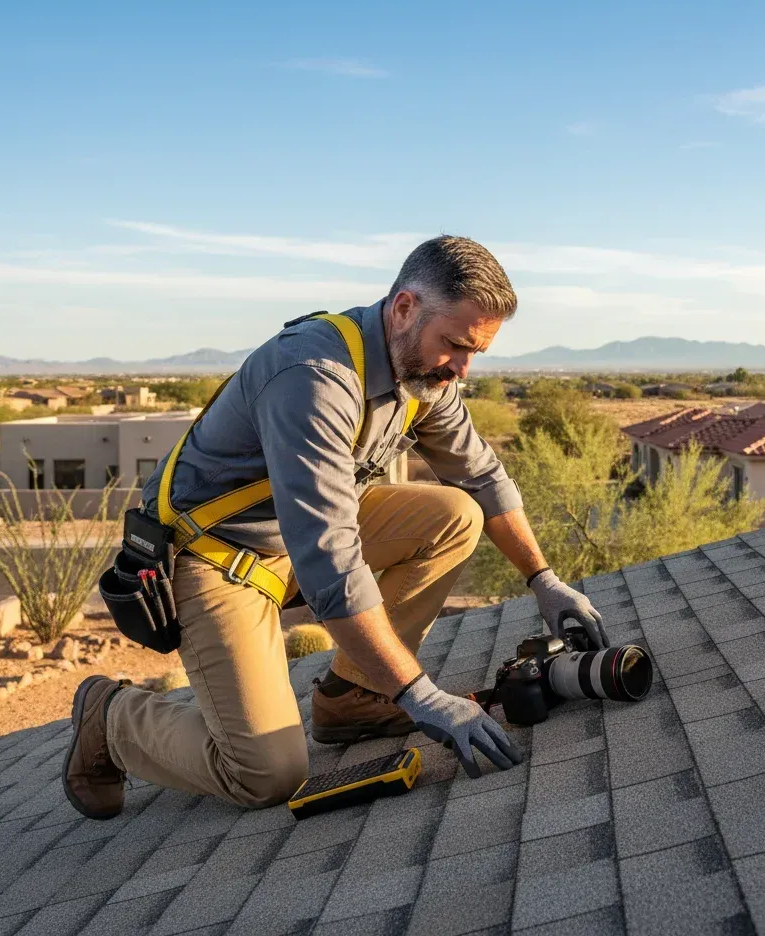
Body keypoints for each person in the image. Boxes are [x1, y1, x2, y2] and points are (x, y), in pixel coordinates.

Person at [62, 235, 607, 819]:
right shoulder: (316, 376)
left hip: (300, 541)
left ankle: (353, 697)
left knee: (455, 516)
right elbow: (332, 562)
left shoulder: (424, 375)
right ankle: (114, 715)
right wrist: (419, 694)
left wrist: (543, 580)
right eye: (454, 345)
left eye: (475, 352)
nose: (463, 369)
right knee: (264, 774)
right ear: (404, 309)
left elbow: (482, 478)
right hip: (217, 558)